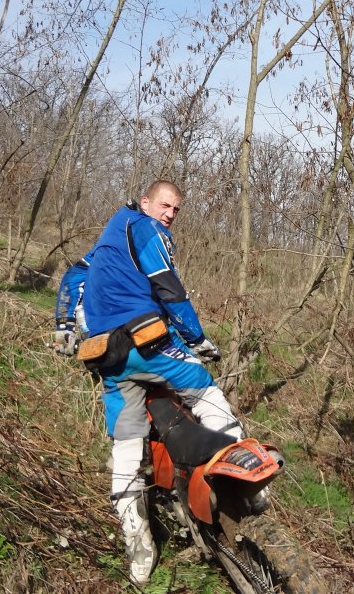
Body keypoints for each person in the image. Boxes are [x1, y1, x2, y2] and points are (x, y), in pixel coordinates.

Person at [79, 180, 240, 586]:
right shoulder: (147, 229)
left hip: (106, 354)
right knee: (205, 389)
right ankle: (241, 480)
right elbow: (168, 287)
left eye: (175, 210)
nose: (169, 214)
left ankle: (139, 553)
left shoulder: (111, 232)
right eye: (165, 205)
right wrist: (199, 338)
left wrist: (69, 326)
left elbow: (77, 282)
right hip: (144, 343)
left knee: (126, 446)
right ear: (146, 201)